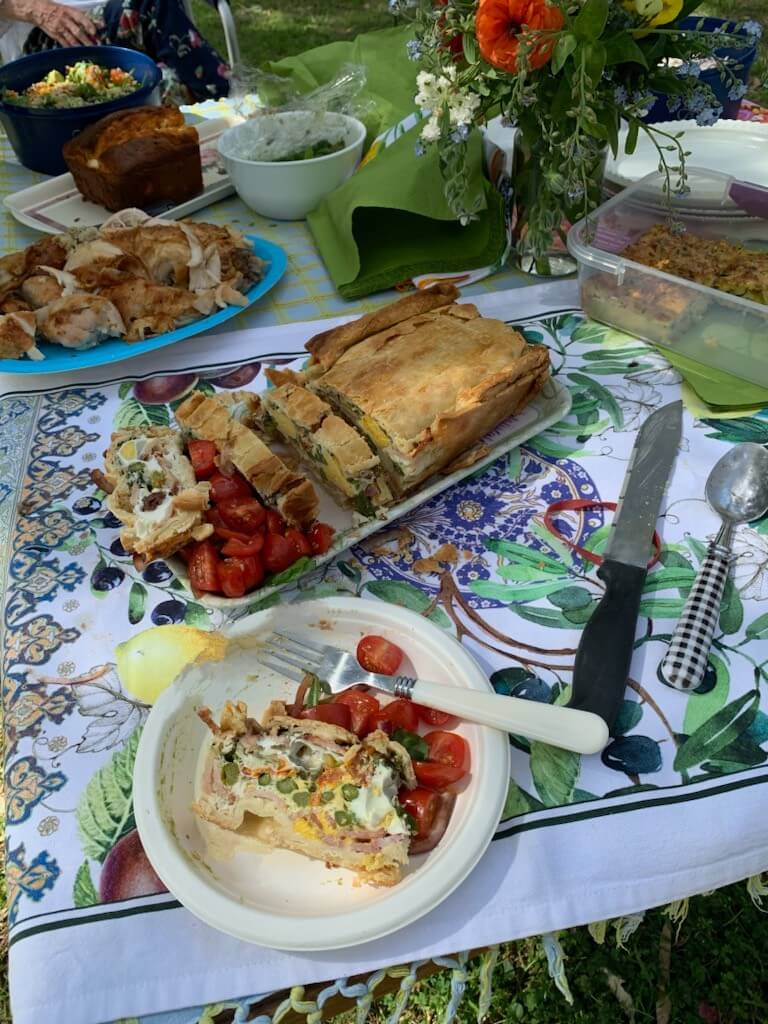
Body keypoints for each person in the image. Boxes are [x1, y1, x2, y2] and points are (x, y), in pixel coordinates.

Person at [0, 0, 231, 102]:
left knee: (169, 86)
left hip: (136, 29)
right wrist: (33, 8)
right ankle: (233, 105)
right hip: (56, 37)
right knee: (147, 5)